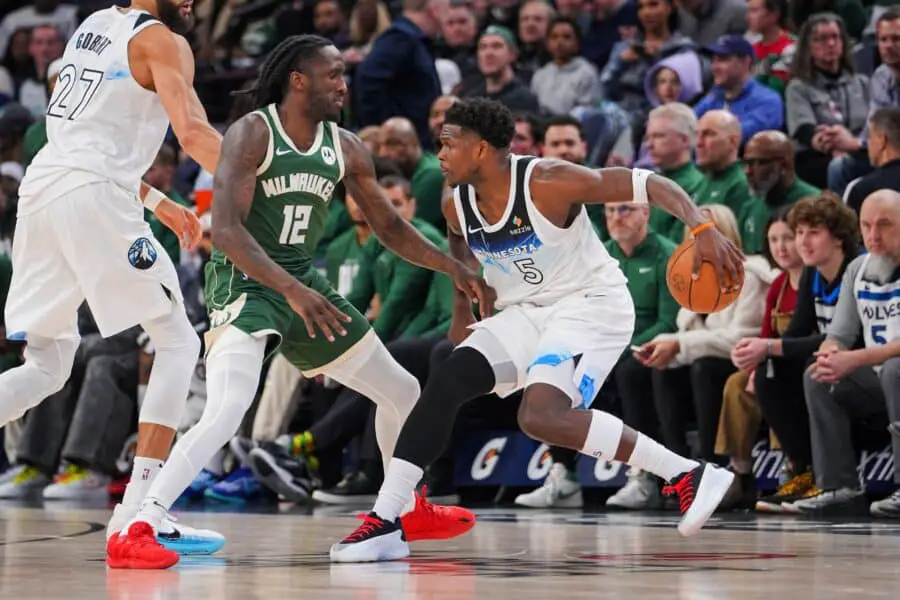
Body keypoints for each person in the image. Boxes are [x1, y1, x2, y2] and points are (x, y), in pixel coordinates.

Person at [107, 35, 493, 570]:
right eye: (333, 74)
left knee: (402, 390)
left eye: (344, 75)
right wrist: (293, 291)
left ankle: (406, 507)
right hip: (245, 282)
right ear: (298, 79)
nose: (343, 84)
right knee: (227, 406)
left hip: (302, 282)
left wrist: (454, 266)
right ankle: (141, 523)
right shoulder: (252, 134)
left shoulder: (347, 147)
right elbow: (230, 233)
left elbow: (388, 225)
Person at [330, 97, 745, 563]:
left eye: (449, 144)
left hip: (591, 304)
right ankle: (387, 519)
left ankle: (687, 473)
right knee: (448, 375)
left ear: (482, 149)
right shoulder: (454, 204)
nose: (440, 155)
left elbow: (647, 182)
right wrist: (462, 312)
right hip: (525, 310)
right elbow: (460, 247)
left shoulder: (548, 181)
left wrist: (700, 225)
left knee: (540, 416)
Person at [0, 0, 223, 555]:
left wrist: (157, 199)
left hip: (45, 191)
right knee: (177, 340)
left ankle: (140, 515)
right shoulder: (163, 41)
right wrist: (273, 178)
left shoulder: (93, 27)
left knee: (47, 365)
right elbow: (194, 134)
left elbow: (81, 144)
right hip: (91, 196)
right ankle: (138, 518)